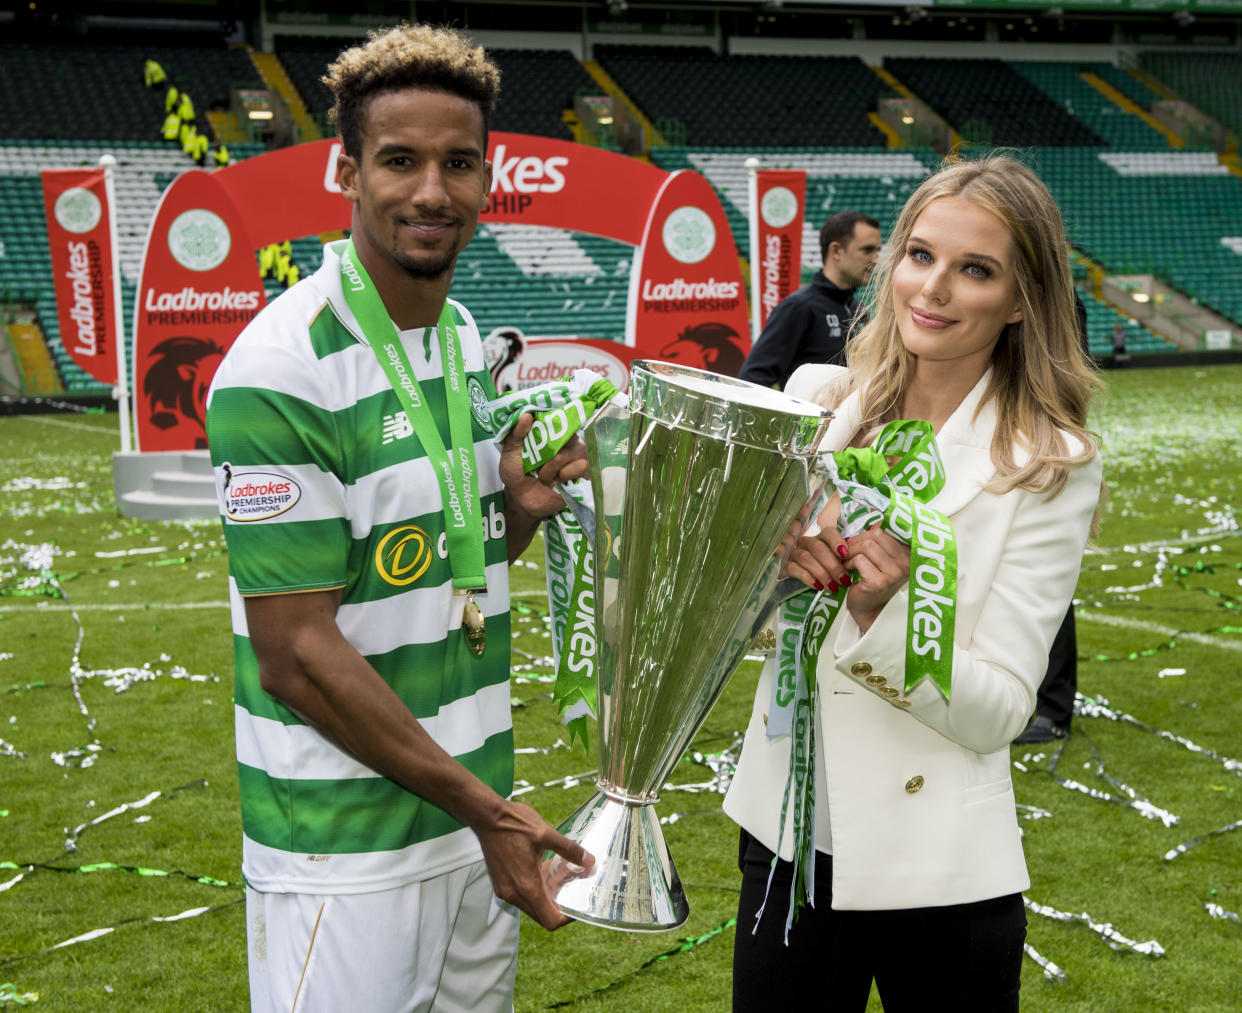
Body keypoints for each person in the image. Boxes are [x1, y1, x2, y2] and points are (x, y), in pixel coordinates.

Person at [205, 24, 593, 1013]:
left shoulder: (463, 339)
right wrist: (487, 810)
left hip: (470, 826)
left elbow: (447, 567)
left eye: (458, 163)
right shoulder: (280, 368)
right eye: (400, 161)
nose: (432, 192)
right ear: (346, 169)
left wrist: (518, 509)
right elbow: (294, 653)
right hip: (346, 850)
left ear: (486, 174)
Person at [724, 156, 1103, 1011]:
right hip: (786, 836)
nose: (934, 288)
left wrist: (883, 614)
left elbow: (1004, 709)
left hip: (939, 868)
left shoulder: (1047, 465)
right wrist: (765, 562)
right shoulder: (822, 401)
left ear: (1021, 299)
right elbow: (740, 621)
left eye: (977, 269)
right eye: (920, 254)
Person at [739, 210, 882, 390]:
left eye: (878, 250)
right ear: (836, 251)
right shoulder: (799, 307)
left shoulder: (857, 308)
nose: (876, 259)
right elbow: (753, 378)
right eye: (868, 250)